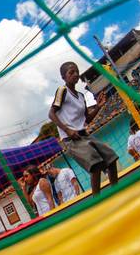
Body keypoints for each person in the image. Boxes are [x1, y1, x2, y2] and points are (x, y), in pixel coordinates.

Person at [49, 61, 119, 197]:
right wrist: (67, 130)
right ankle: (96, 198)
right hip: (71, 138)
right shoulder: (62, 91)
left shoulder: (81, 96)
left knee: (110, 157)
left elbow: (86, 120)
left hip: (84, 134)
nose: (75, 74)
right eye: (71, 72)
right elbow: (51, 114)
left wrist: (98, 106)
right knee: (96, 164)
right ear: (64, 77)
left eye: (76, 71)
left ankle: (116, 190)